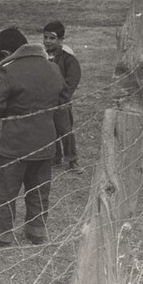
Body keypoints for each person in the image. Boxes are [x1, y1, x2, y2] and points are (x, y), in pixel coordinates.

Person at [0, 27, 65, 246]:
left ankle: (1, 232)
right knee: (39, 189)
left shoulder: (9, 71)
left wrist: (8, 113)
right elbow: (61, 97)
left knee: (6, 188)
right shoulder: (53, 68)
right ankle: (36, 231)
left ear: (4, 54)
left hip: (16, 142)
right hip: (46, 141)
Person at [43, 21, 82, 172]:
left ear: (61, 40)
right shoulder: (42, 57)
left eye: (52, 38)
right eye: (45, 37)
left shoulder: (67, 59)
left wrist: (63, 98)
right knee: (50, 130)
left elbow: (72, 80)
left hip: (61, 102)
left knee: (65, 130)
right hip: (46, 102)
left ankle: (72, 160)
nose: (47, 41)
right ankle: (55, 157)